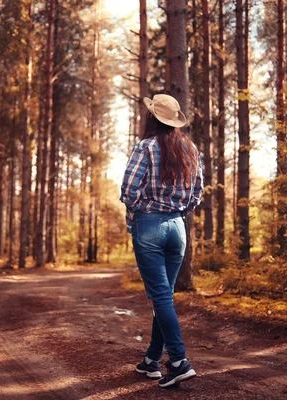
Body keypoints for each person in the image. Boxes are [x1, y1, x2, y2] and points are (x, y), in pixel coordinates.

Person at [120, 94, 203, 388]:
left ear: (152, 118)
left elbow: (128, 190)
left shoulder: (145, 147)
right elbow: (196, 194)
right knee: (163, 294)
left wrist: (145, 207)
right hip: (178, 228)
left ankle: (179, 361)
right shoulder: (190, 149)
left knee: (161, 297)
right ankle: (152, 360)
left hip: (150, 227)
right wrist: (177, 212)